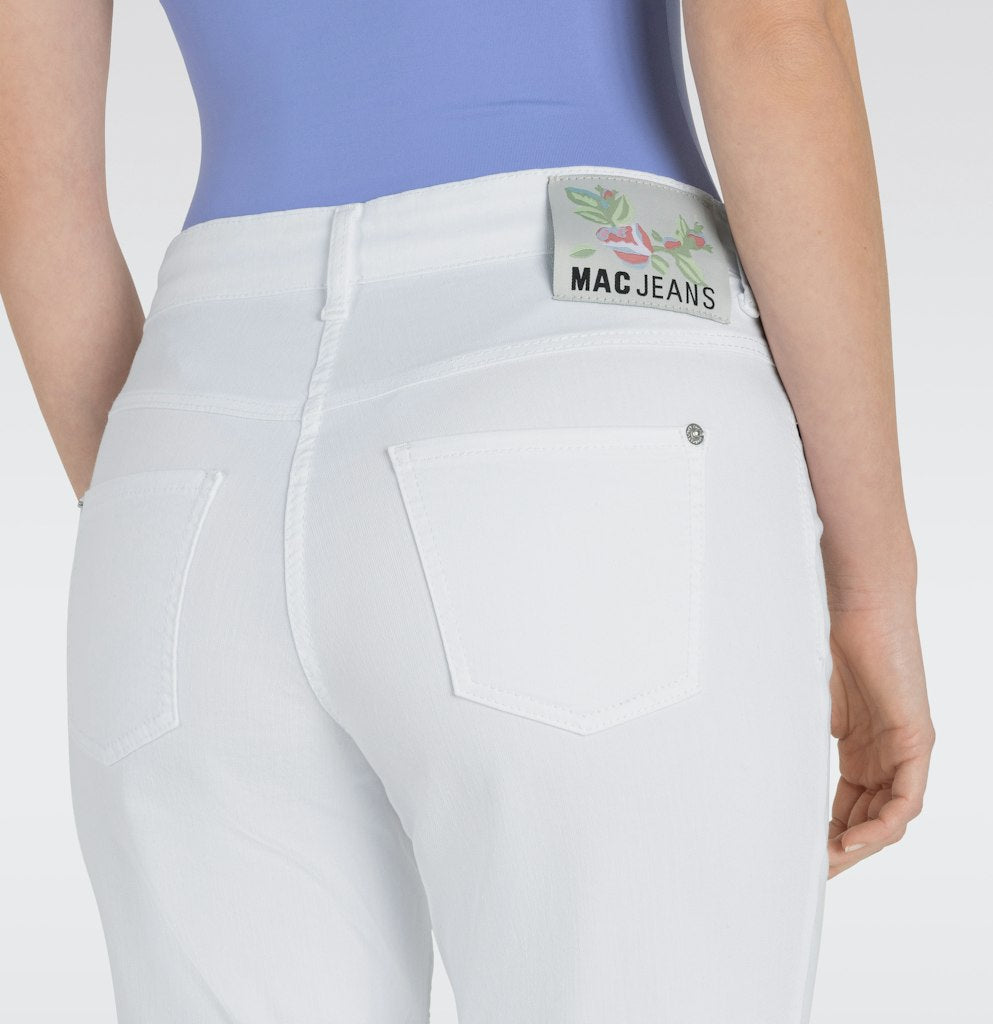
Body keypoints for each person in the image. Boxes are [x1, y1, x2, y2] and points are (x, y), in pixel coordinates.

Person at [0, 1, 934, 1021]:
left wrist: (155, 515)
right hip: (581, 372)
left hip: (191, 448)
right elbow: (775, 35)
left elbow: (28, 172)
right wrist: (868, 584)